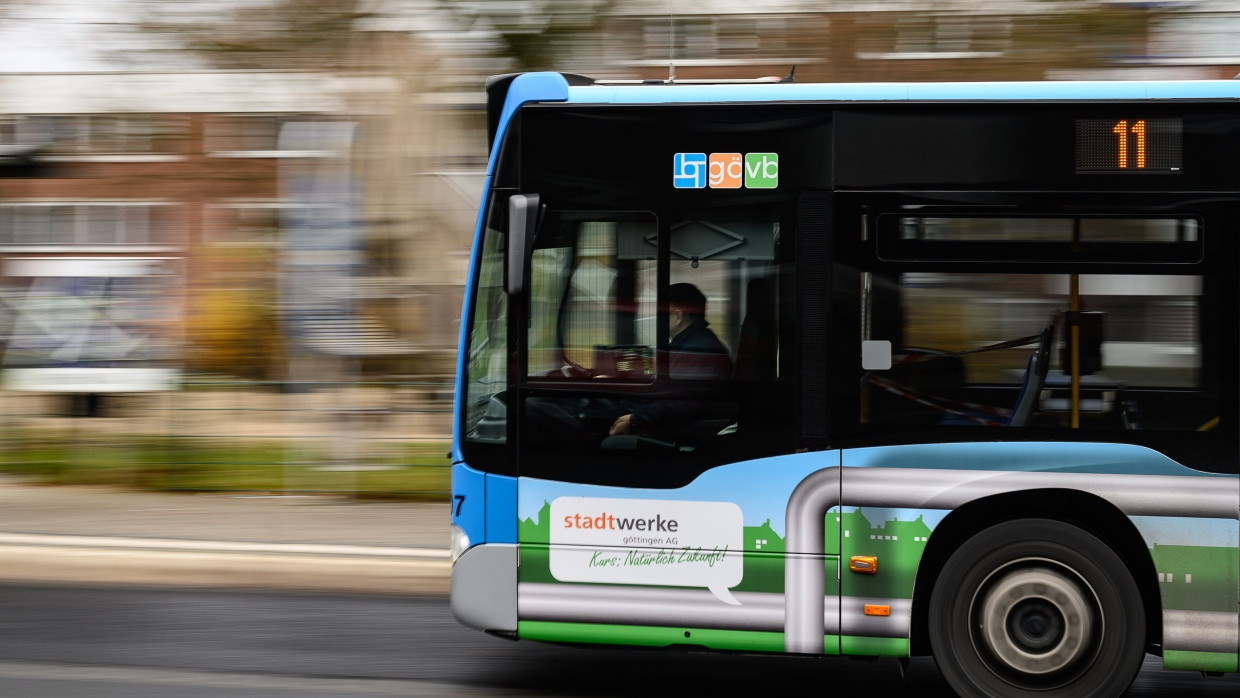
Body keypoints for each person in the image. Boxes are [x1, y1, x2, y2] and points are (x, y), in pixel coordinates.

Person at [610, 283, 732, 437]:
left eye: (661, 314)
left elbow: (681, 403)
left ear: (677, 315)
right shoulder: (689, 344)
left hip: (686, 432)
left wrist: (635, 419)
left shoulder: (698, 350)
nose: (657, 320)